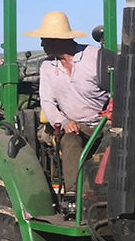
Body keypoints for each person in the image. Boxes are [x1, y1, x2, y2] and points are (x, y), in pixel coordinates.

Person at [24, 11, 109, 195]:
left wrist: (114, 109)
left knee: (120, 141)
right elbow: (47, 102)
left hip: (104, 123)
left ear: (57, 39)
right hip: (75, 125)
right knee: (70, 141)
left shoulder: (95, 57)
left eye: (44, 39)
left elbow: (119, 86)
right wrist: (63, 122)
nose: (41, 44)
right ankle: (79, 196)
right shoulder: (47, 67)